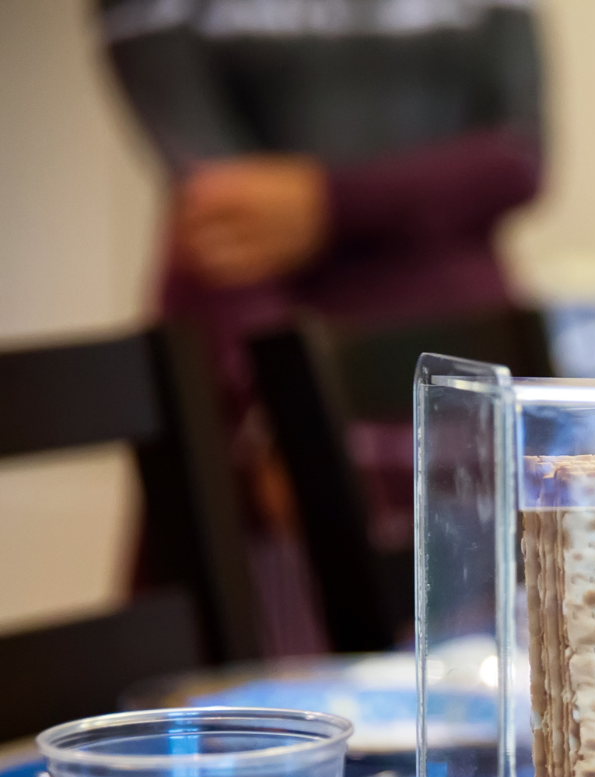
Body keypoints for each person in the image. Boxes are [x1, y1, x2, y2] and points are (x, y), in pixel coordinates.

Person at [99, 0, 545, 651]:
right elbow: (223, 203)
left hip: (456, 370)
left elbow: (518, 160)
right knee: (270, 669)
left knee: (490, 657)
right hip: (257, 352)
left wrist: (326, 202)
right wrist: (269, 403)